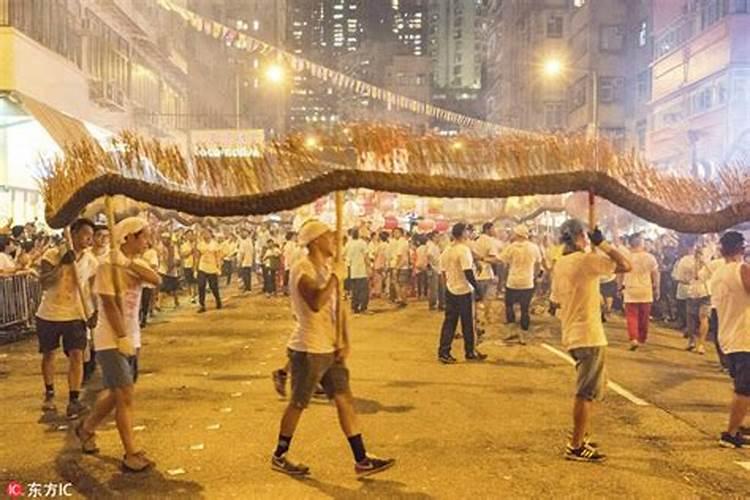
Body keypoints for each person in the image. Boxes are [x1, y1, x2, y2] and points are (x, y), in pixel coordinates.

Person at [270, 219, 395, 477]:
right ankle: (280, 455)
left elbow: (338, 310)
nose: (334, 241)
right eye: (329, 236)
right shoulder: (302, 268)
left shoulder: (328, 268)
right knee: (298, 403)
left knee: (344, 399)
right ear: (316, 241)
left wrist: (344, 339)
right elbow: (315, 301)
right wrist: (336, 278)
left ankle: (361, 459)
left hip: (329, 347)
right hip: (308, 348)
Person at [75, 217, 161, 472]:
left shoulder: (131, 264)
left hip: (132, 336)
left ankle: (86, 428)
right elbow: (110, 305)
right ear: (129, 238)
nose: (147, 241)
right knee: (125, 394)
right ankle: (130, 453)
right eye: (143, 236)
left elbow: (156, 280)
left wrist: (127, 263)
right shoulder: (105, 267)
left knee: (116, 393)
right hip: (111, 338)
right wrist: (122, 337)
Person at [551, 220, 631, 462]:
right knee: (586, 392)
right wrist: (603, 244)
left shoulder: (562, 263)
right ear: (578, 237)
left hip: (573, 332)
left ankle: (581, 434)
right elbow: (626, 265)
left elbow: (555, 300)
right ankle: (575, 445)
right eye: (585, 237)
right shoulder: (585, 261)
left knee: (594, 388)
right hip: (588, 334)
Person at [36, 218, 99, 419]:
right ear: (72, 234)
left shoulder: (91, 261)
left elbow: (92, 290)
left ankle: (74, 400)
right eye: (85, 235)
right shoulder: (51, 255)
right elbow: (45, 283)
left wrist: (94, 311)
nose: (89, 239)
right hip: (49, 314)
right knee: (49, 354)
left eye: (91, 236)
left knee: (77, 356)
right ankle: (50, 392)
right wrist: (62, 264)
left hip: (75, 314)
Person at [709, 231, 750, 448]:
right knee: (744, 388)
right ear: (741, 248)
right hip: (744, 336)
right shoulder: (741, 269)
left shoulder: (717, 273)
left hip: (728, 334)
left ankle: (742, 424)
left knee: (743, 386)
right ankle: (730, 432)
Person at [437, 223, 487, 364]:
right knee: (468, 324)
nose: (469, 233)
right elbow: (468, 271)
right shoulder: (463, 250)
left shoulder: (447, 250)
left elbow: (442, 272)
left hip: (451, 289)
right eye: (467, 231)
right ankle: (470, 352)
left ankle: (444, 352)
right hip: (464, 290)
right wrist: (477, 289)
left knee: (449, 323)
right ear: (463, 233)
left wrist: (447, 287)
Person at [500, 225, 544, 343]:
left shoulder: (511, 247)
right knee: (525, 309)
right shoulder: (534, 248)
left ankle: (511, 331)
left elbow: (503, 262)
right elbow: (538, 264)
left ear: (517, 234)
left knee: (509, 306)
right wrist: (534, 277)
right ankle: (524, 335)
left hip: (512, 282)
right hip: (527, 282)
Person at [622, 233, 660, 350]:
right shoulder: (650, 257)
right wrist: (657, 287)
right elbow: (655, 273)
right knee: (644, 316)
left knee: (631, 316)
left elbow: (620, 273)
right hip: (645, 290)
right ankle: (642, 337)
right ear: (641, 244)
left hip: (630, 289)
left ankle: (633, 338)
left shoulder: (626, 257)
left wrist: (619, 286)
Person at [674, 242, 711, 353]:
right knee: (701, 319)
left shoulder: (686, 261)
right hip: (703, 291)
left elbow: (680, 277)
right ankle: (699, 344)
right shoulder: (708, 262)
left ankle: (693, 342)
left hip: (696, 292)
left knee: (693, 319)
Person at [473, 222, 500, 329]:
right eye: (494, 229)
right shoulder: (490, 241)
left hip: (476, 275)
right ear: (488, 229)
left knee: (477, 301)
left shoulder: (476, 241)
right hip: (487, 275)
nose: (495, 231)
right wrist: (484, 259)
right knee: (487, 300)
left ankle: (477, 321)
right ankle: (486, 319)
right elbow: (495, 260)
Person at [197, 228, 222, 313]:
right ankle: (202, 305)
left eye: (207, 233)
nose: (205, 235)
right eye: (203, 233)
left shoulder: (215, 244)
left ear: (211, 234)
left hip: (212, 267)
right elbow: (197, 256)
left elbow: (218, 256)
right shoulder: (200, 244)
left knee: (213, 287)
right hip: (202, 267)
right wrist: (195, 269)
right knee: (201, 286)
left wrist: (219, 268)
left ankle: (218, 300)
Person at [345, 229, 370, 313]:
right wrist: (369, 267)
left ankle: (354, 307)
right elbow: (366, 257)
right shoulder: (362, 243)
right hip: (361, 270)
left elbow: (343, 255)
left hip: (352, 270)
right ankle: (363, 308)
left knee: (354, 290)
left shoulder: (349, 244)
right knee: (363, 290)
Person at [140, 240, 159, 328]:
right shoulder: (135, 252)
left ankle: (144, 317)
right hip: (136, 280)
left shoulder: (151, 252)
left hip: (146, 280)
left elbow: (154, 265)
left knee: (145, 299)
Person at [389, 228, 409, 307]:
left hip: (400, 266)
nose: (395, 234)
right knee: (401, 284)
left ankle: (402, 300)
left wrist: (396, 268)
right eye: (394, 232)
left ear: (401, 233)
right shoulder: (403, 242)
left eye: (397, 232)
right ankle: (403, 300)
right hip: (403, 265)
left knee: (399, 284)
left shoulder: (401, 243)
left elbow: (399, 256)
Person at [180, 229, 197, 302]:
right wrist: (191, 251)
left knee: (195, 281)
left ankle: (194, 295)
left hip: (196, 265)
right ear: (186, 236)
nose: (190, 236)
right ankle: (191, 296)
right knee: (189, 281)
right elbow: (183, 255)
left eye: (191, 235)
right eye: (188, 235)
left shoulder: (196, 244)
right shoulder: (184, 245)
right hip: (187, 265)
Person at [237, 228, 255, 293]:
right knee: (248, 275)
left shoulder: (244, 242)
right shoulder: (249, 241)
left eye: (243, 233)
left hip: (244, 261)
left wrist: (239, 261)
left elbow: (242, 253)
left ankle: (247, 289)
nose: (242, 234)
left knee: (246, 276)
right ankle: (248, 288)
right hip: (249, 261)